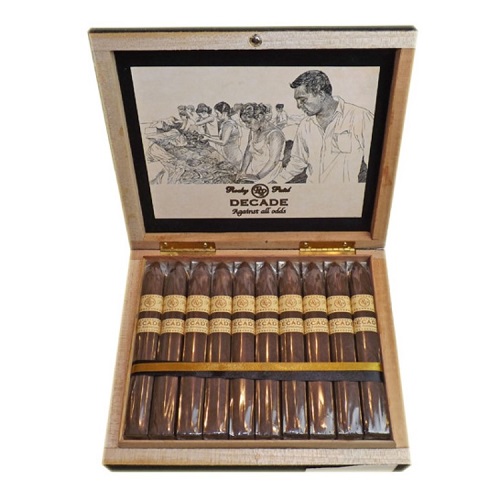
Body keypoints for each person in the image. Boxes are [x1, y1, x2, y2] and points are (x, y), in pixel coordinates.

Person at [273, 70, 374, 184]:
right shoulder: (305, 125)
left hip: (344, 193)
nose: (298, 106)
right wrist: (275, 183)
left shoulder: (360, 117)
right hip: (311, 192)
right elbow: (297, 162)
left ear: (321, 95)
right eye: (297, 101)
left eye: (303, 100)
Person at [238, 103, 285, 183]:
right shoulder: (253, 131)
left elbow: (274, 161)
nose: (247, 126)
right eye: (245, 123)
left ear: (259, 117)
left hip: (269, 174)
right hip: (253, 171)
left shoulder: (275, 134)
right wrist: (242, 171)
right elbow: (248, 151)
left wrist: (257, 177)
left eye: (248, 122)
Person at [203, 101, 243, 167]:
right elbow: (224, 137)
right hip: (229, 154)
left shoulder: (228, 124)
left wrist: (208, 139)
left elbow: (223, 142)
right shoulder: (226, 123)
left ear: (224, 113)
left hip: (233, 156)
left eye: (217, 113)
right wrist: (209, 136)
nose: (216, 115)